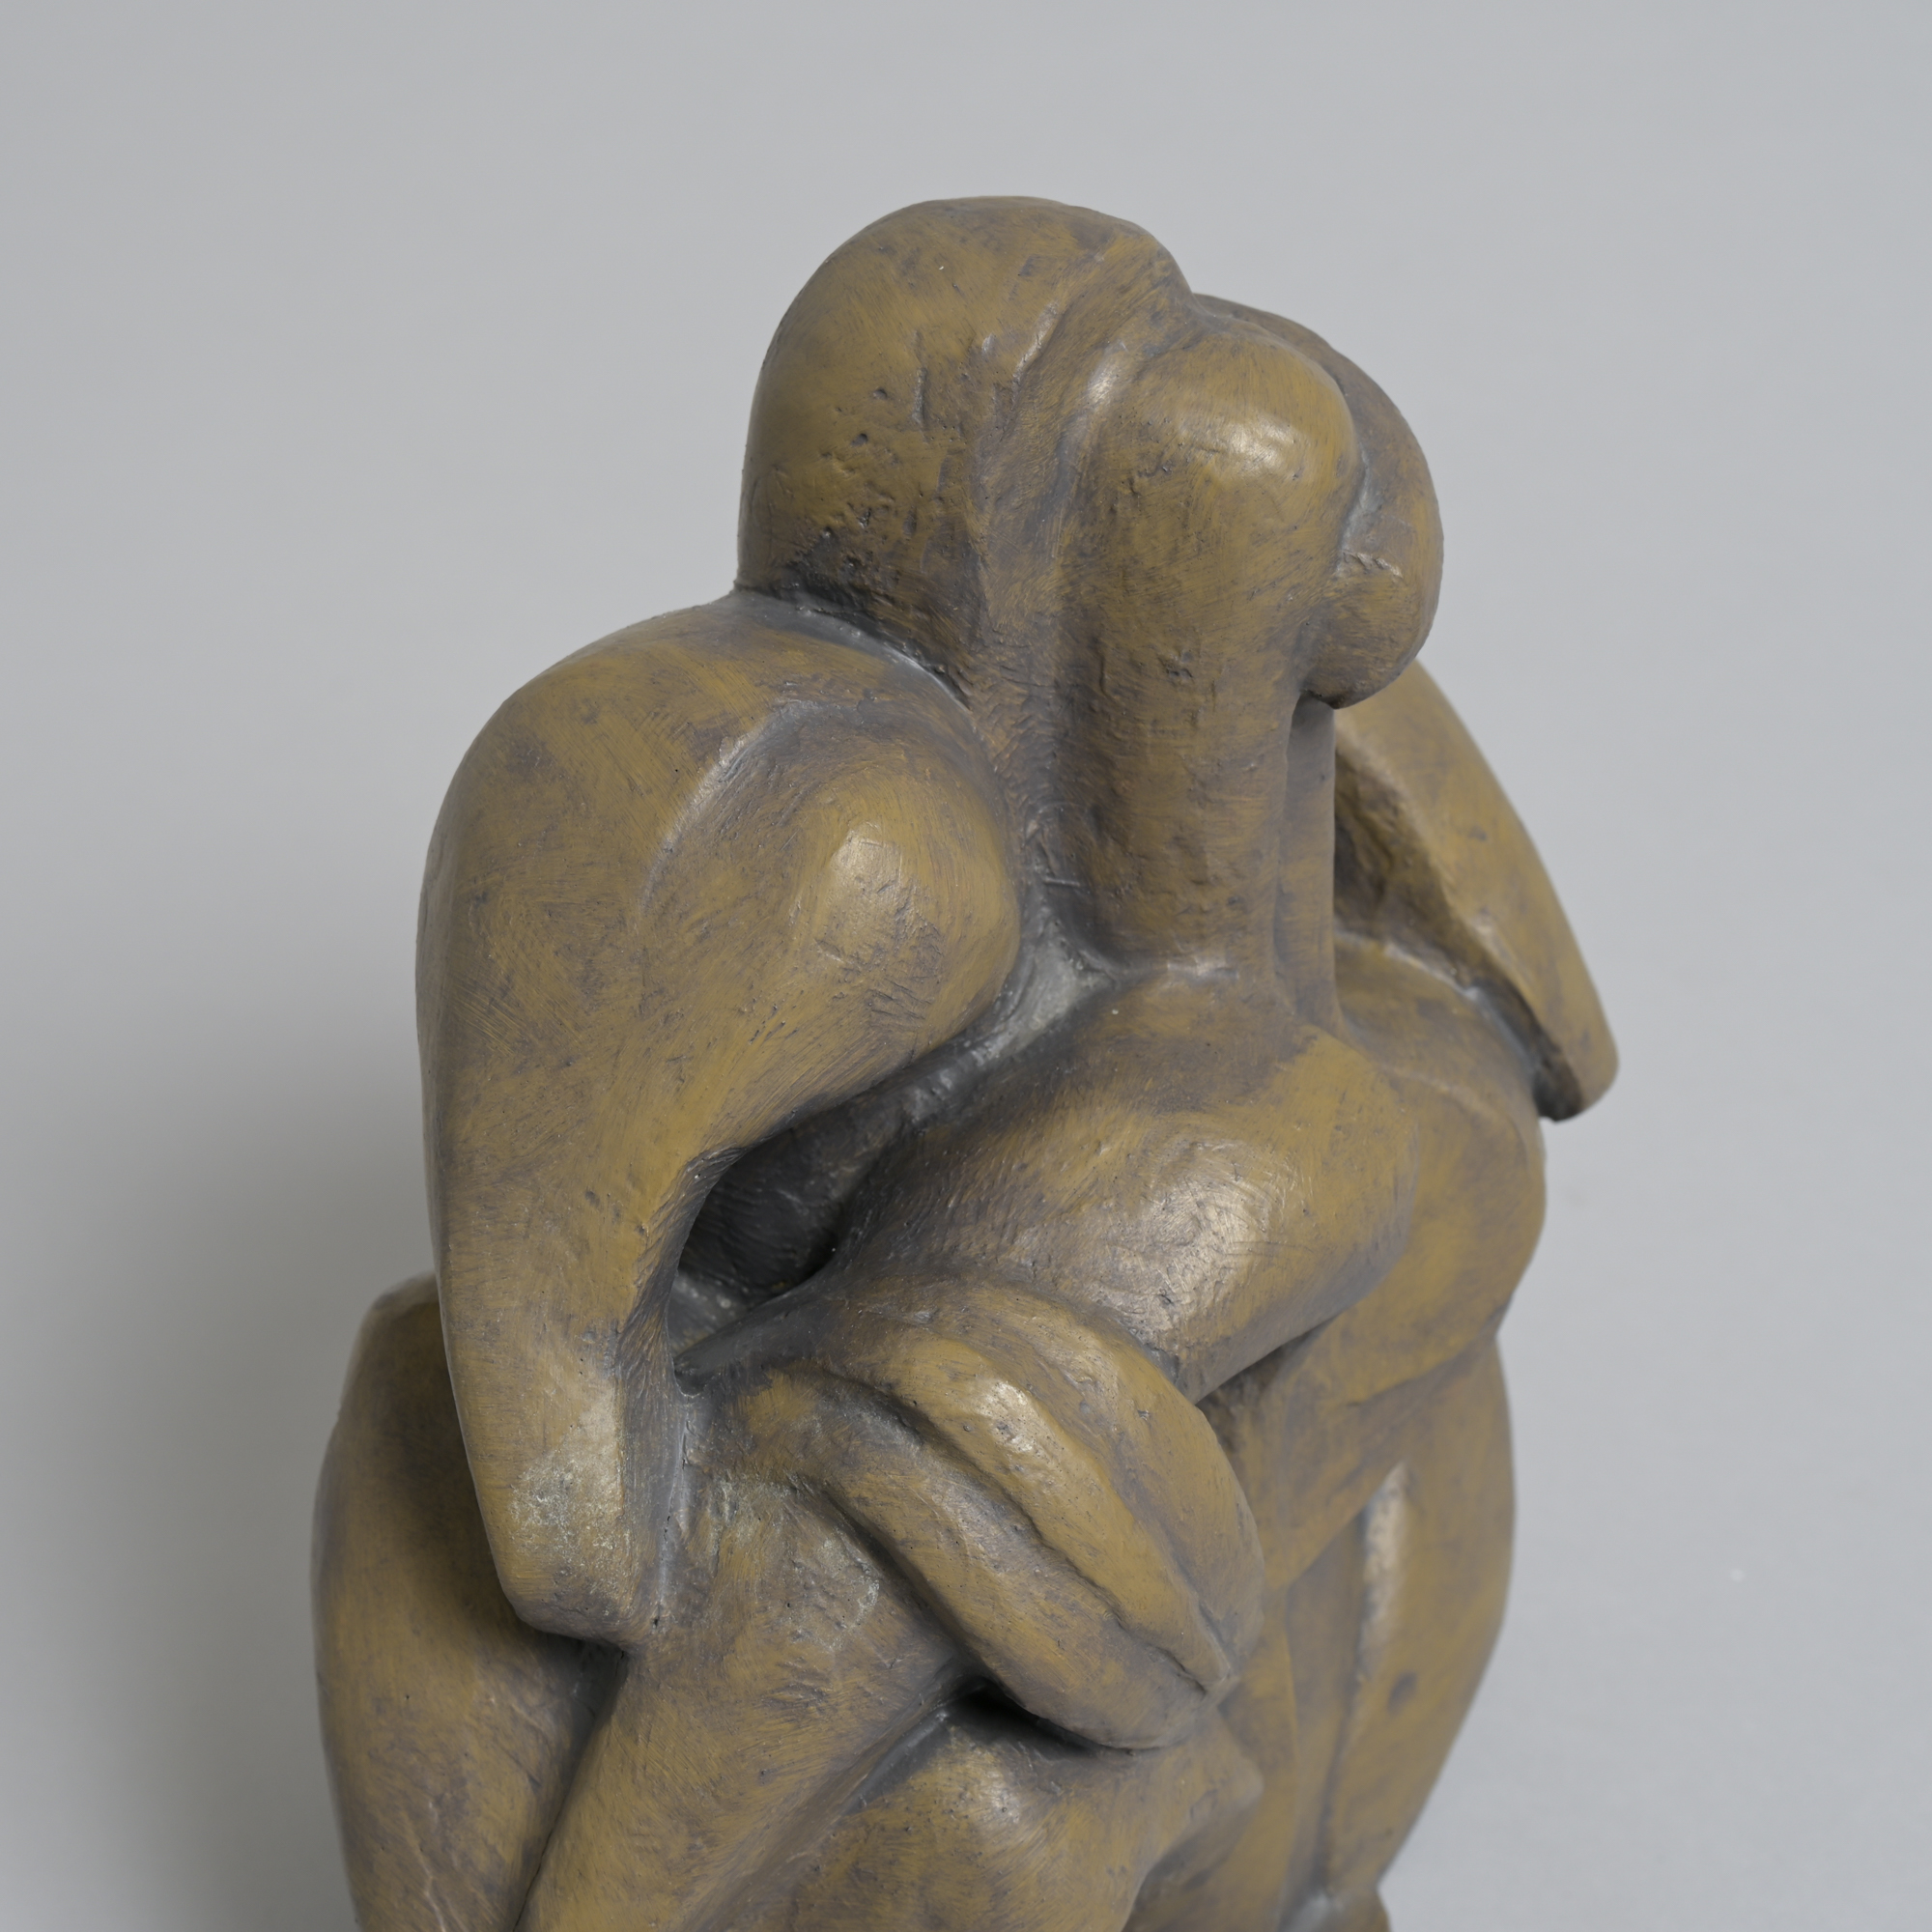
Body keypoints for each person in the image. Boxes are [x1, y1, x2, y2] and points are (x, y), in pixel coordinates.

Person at [314, 198, 1614, 1932]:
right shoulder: (785, 810)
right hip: (856, 1611)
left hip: (1147, 1691)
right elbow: (566, 1520)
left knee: (1323, 1163)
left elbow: (1537, 1040)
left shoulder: (1334, 1108)